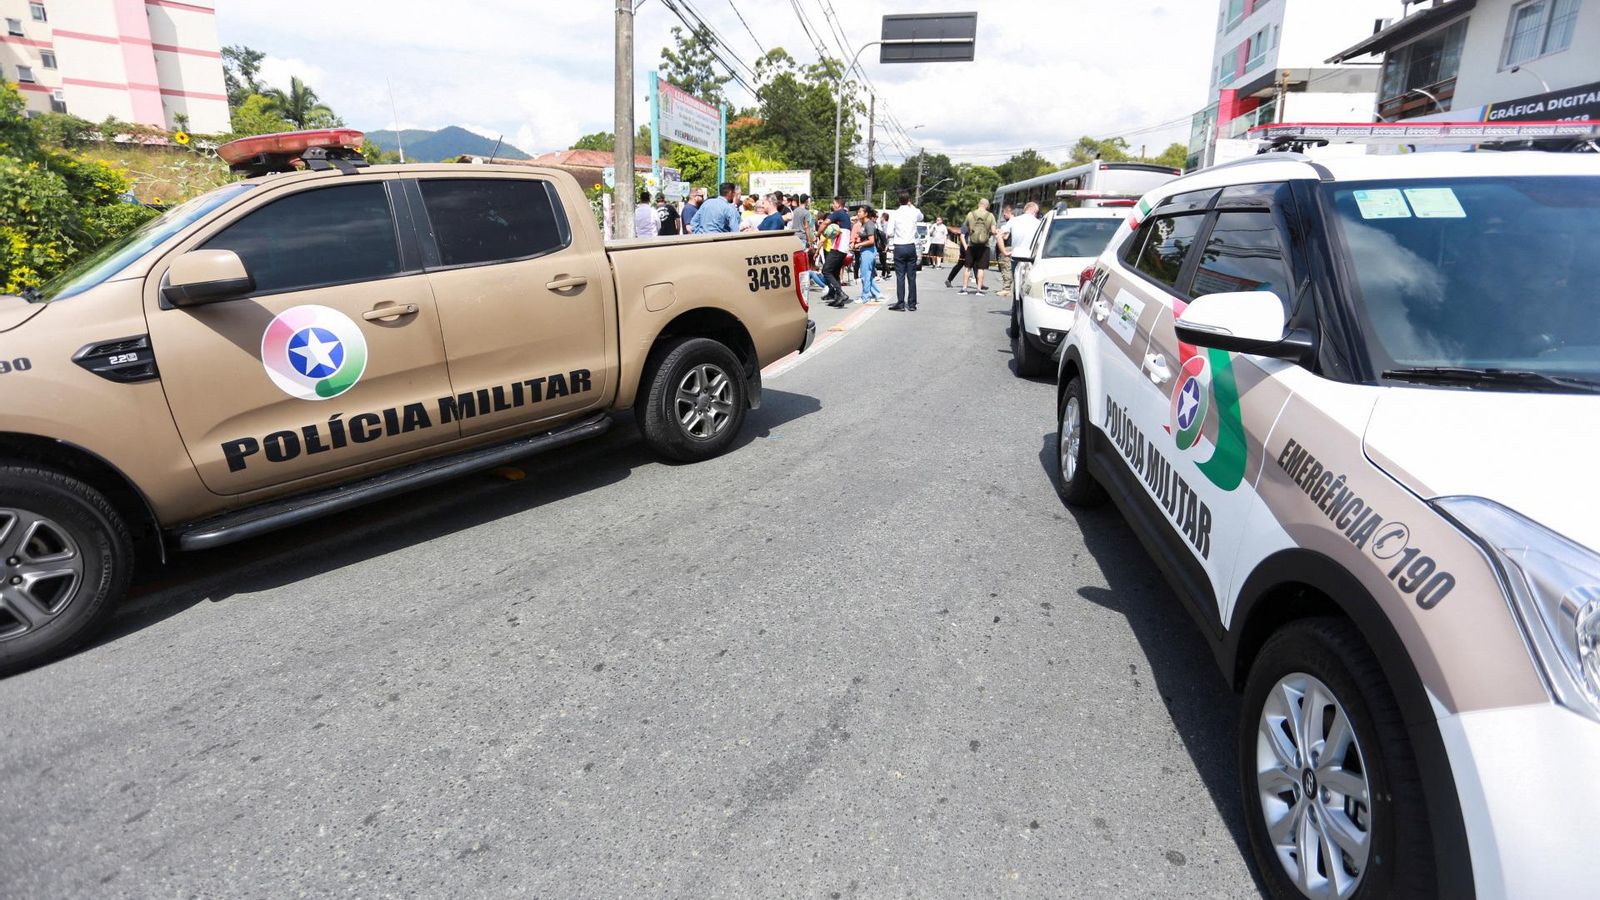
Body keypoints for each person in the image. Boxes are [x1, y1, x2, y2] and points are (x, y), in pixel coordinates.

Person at [886, 190, 924, 312]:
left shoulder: (895, 213)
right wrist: (911, 205)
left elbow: (889, 232)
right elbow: (921, 217)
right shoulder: (914, 212)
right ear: (909, 200)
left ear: (898, 201)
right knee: (911, 276)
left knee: (900, 276)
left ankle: (901, 303)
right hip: (911, 246)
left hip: (899, 246)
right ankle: (912, 303)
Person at [999, 201, 1042, 297]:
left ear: (1025, 210)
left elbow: (999, 236)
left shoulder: (1014, 220)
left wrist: (1004, 252)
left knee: (1016, 283)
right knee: (1028, 285)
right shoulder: (1039, 223)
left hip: (1016, 255)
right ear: (1034, 211)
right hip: (1031, 258)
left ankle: (1015, 305)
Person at [960, 198, 997, 295]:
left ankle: (964, 288)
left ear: (978, 204)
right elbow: (993, 231)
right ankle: (979, 290)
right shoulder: (990, 216)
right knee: (981, 268)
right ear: (987, 206)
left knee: (968, 267)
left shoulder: (970, 214)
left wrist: (965, 246)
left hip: (971, 245)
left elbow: (964, 230)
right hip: (984, 246)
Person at [852, 207, 883, 303]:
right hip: (865, 251)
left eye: (860, 211)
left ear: (865, 214)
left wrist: (859, 244)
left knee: (865, 276)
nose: (858, 213)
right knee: (868, 275)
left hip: (868, 251)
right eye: (858, 211)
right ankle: (877, 294)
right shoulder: (863, 224)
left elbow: (871, 241)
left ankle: (865, 297)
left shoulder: (869, 224)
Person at [819, 211, 848, 307]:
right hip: (841, 249)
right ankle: (838, 298)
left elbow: (825, 225)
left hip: (837, 249)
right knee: (835, 273)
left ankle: (840, 293)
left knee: (826, 270)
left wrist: (818, 233)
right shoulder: (841, 225)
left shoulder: (836, 225)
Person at [995, 204, 1015, 297]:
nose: (1003, 216)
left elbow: (1005, 236)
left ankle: (1006, 289)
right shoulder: (1018, 222)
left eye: (1004, 214)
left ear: (1008, 212)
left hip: (1008, 247)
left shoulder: (1010, 223)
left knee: (1006, 268)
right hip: (1014, 248)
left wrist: (999, 232)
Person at [944, 221, 970, 289]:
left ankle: (948, 280)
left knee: (974, 265)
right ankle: (949, 280)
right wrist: (965, 248)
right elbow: (958, 233)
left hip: (970, 248)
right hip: (965, 248)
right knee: (961, 264)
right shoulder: (965, 226)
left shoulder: (974, 226)